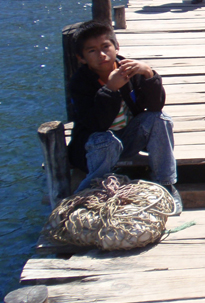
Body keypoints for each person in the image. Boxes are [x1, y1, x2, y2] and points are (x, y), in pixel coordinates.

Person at [67, 20, 181, 213]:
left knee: (160, 119)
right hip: (96, 147)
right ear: (82, 58)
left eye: (106, 47)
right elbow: (96, 124)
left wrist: (149, 74)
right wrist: (110, 89)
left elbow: (155, 106)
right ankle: (94, 190)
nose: (102, 54)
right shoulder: (79, 84)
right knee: (106, 140)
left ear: (116, 47)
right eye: (92, 51)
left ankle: (166, 184)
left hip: (127, 140)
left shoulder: (130, 69)